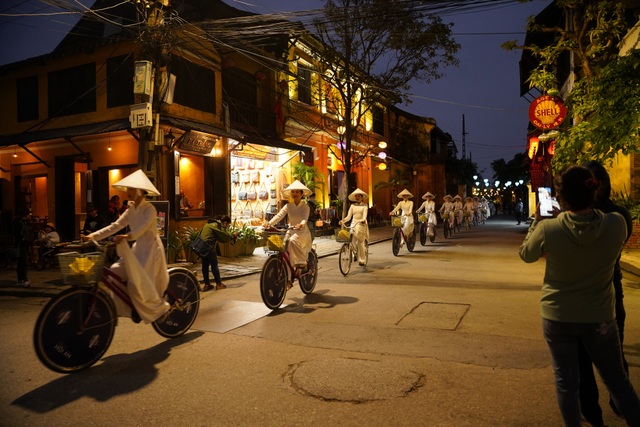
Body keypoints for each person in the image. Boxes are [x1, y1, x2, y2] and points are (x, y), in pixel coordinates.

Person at [519, 165, 640, 426]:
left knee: (567, 383)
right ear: (594, 191)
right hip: (600, 318)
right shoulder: (616, 224)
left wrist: (538, 219)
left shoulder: (548, 229)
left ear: (560, 198)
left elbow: (526, 255)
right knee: (618, 382)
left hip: (558, 316)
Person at [579, 160, 635, 426]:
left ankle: (591, 412)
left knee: (582, 360)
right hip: (612, 293)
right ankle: (621, 401)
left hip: (580, 298)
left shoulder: (576, 219)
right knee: (614, 354)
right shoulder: (621, 216)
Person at [83, 169, 170, 324]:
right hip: (138, 248)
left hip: (150, 249)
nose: (128, 192)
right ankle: (131, 308)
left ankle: (160, 309)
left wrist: (128, 236)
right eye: (128, 188)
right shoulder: (131, 209)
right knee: (115, 271)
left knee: (139, 284)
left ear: (139, 191)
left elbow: (143, 227)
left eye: (131, 189)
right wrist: (93, 236)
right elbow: (115, 225)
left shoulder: (149, 209)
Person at [264, 180, 312, 269]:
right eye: (293, 192)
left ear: (301, 194)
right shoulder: (288, 206)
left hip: (302, 232)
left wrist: (301, 224)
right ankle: (289, 278)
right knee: (284, 248)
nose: (295, 194)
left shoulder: (305, 207)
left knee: (292, 241)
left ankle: (302, 261)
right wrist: (269, 223)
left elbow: (305, 219)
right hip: (290, 230)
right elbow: (279, 215)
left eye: (297, 192)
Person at [200, 215, 234, 292]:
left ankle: (207, 285)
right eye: (228, 225)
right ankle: (218, 284)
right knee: (214, 265)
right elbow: (224, 237)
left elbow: (220, 238)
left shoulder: (209, 224)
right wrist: (232, 235)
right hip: (209, 247)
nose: (227, 226)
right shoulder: (216, 225)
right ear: (225, 223)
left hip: (202, 247)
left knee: (205, 266)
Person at [339, 188, 369, 266]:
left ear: (362, 197)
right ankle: (355, 253)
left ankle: (362, 259)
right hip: (353, 223)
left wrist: (363, 220)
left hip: (361, 224)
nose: (357, 197)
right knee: (351, 240)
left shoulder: (365, 205)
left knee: (360, 242)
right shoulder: (352, 206)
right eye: (356, 196)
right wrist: (343, 220)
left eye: (359, 196)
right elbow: (349, 217)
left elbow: (365, 215)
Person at [11, 208, 32, 288]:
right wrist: (22, 238)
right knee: (23, 262)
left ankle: (21, 279)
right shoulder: (18, 222)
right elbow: (16, 233)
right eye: (28, 215)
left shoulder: (24, 222)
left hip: (24, 244)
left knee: (22, 262)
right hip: (21, 244)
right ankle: (23, 279)